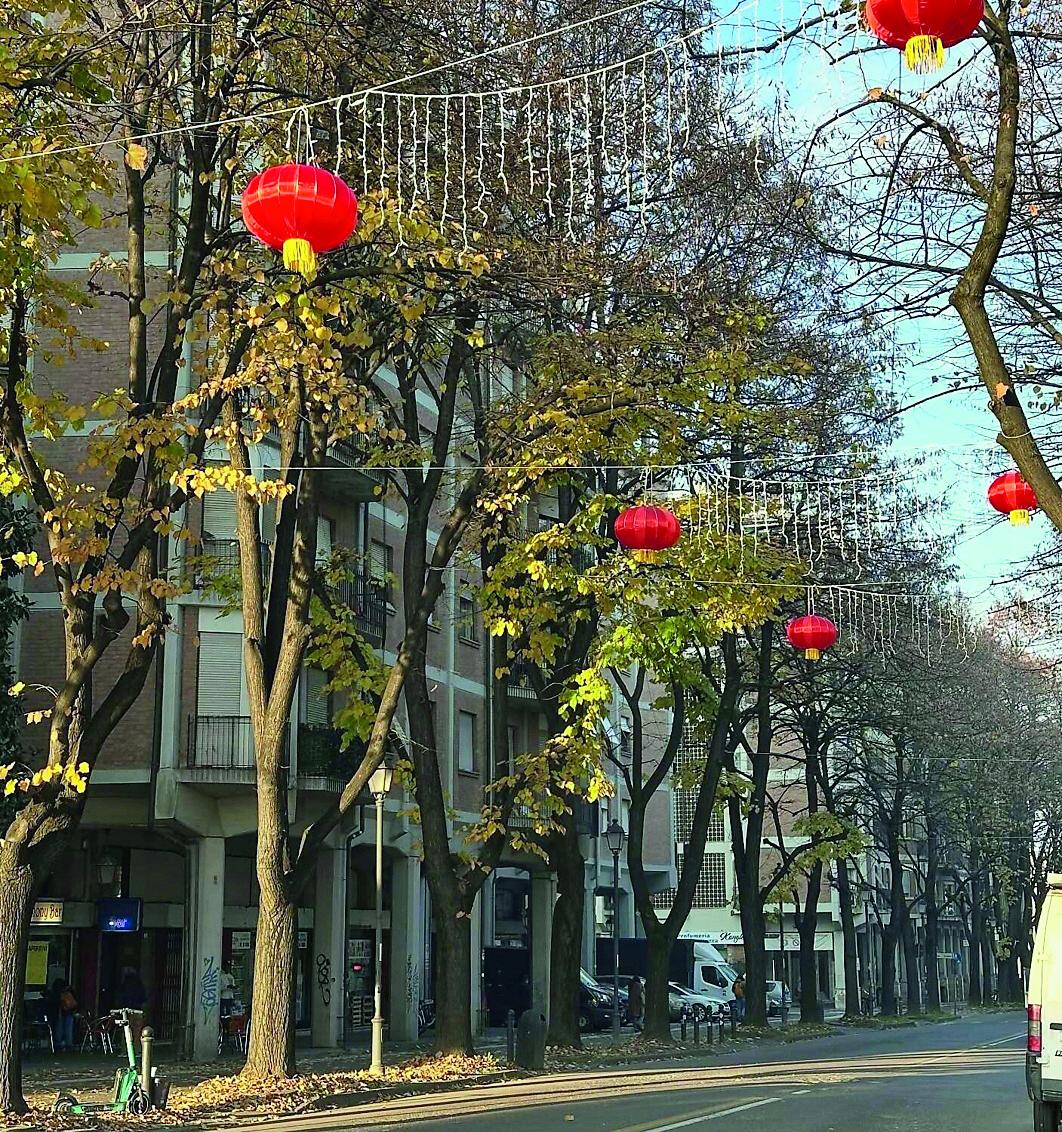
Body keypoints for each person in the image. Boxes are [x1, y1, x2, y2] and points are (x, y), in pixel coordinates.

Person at [116, 967, 148, 1047]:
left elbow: (121, 998)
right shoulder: (139, 985)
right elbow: (143, 998)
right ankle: (137, 1050)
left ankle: (125, 1050)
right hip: (138, 1010)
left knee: (127, 1031)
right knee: (137, 1032)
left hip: (127, 1010)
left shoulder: (124, 985)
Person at [48, 978, 77, 1052]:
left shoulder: (56, 993)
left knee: (59, 1028)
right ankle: (68, 1044)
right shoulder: (69, 992)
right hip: (69, 1012)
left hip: (60, 1012)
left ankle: (58, 1044)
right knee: (68, 1028)